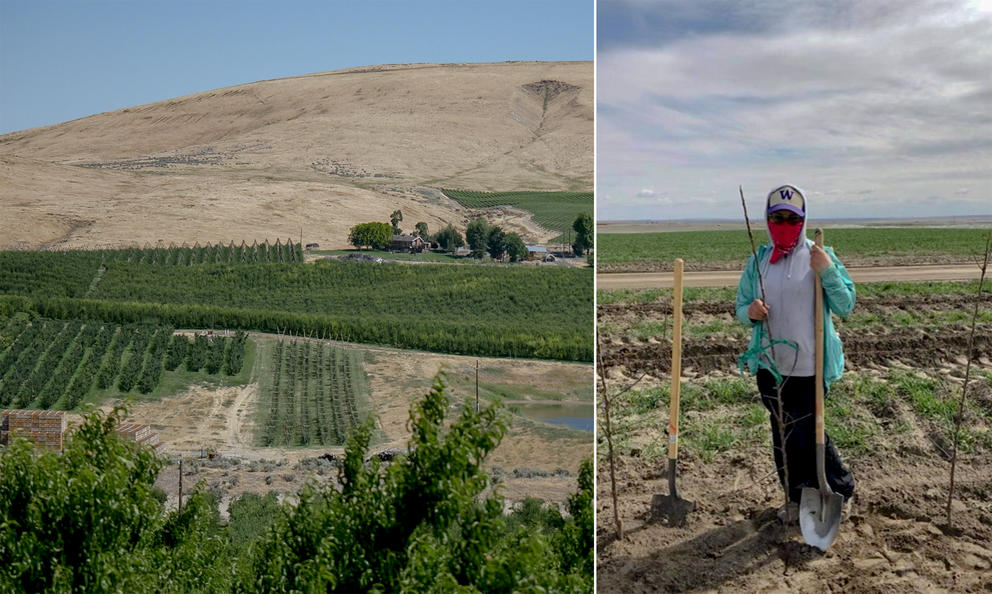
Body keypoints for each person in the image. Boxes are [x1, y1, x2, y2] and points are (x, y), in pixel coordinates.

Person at [735, 185, 856, 523]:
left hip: (809, 367)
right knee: (782, 434)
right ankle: (795, 497)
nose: (785, 223)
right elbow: (740, 306)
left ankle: (841, 489)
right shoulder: (759, 261)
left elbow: (846, 305)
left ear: (803, 220)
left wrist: (827, 270)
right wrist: (752, 312)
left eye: (792, 218)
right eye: (777, 217)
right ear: (768, 219)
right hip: (769, 366)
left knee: (807, 432)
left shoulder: (820, 254)